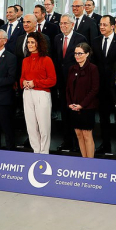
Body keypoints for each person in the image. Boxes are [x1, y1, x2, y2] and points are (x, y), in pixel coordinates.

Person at [53, 14, 88, 152]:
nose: (62, 26)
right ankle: (67, 141)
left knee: (76, 112)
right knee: (64, 111)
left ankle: (78, 143)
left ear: (72, 24)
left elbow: (84, 61)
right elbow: (56, 59)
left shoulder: (80, 38)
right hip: (62, 82)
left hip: (76, 81)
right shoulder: (57, 38)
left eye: (65, 23)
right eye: (61, 23)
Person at [20, 32, 56, 154]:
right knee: (31, 126)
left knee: (44, 126)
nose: (29, 45)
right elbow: (22, 77)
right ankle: (36, 151)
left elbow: (52, 80)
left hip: (42, 94)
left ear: (38, 44)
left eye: (32, 42)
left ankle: (44, 152)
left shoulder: (47, 60)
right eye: (28, 42)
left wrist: (35, 83)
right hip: (27, 94)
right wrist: (23, 82)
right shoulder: (25, 60)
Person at [91, 15, 116, 155]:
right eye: (100, 24)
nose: (102, 27)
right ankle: (106, 145)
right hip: (101, 87)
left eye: (105, 25)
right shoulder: (95, 41)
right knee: (103, 118)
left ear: (112, 26)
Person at [65, 42, 99, 158]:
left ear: (87, 54)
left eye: (80, 53)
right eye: (75, 53)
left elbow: (94, 89)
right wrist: (70, 103)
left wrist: (82, 105)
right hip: (73, 107)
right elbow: (68, 88)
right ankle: (84, 160)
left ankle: (90, 161)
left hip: (87, 108)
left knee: (87, 135)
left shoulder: (93, 68)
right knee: (79, 134)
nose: (77, 56)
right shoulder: (72, 68)